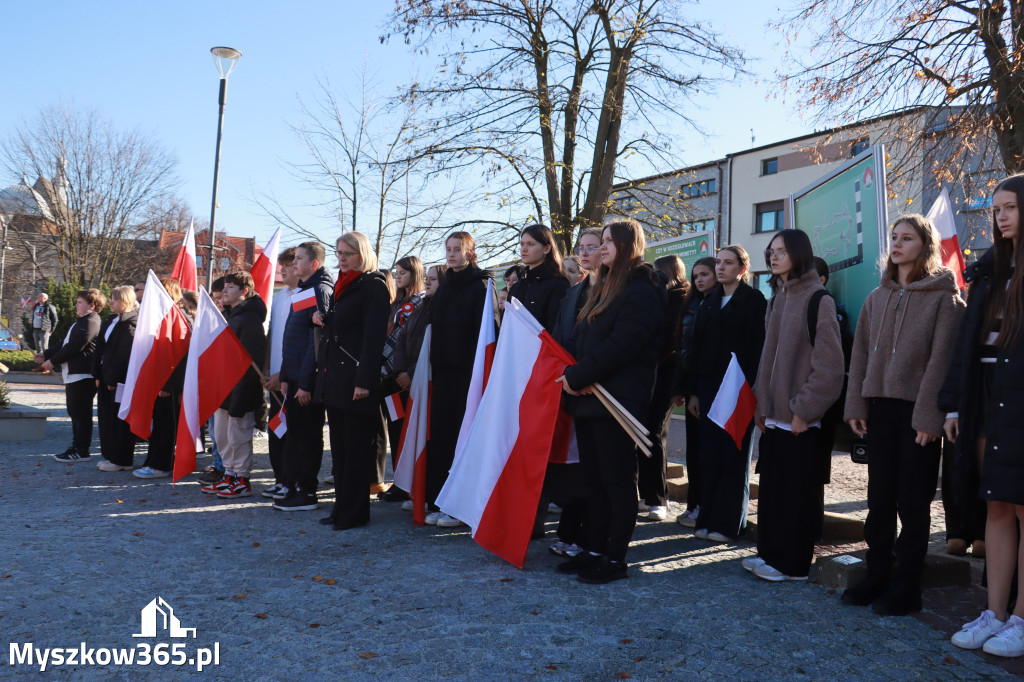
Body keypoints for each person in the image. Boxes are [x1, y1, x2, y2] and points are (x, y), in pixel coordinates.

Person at [838, 215, 964, 614]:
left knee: (913, 503)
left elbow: (942, 361)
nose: (897, 243)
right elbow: (859, 354)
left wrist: (930, 417)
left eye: (907, 238)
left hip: (918, 416)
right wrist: (856, 403)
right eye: (893, 236)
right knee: (879, 500)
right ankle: (877, 576)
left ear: (925, 246)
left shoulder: (945, 299)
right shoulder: (878, 297)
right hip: (879, 411)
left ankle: (908, 587)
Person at [555, 220, 664, 584]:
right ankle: (595, 548)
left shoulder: (642, 288)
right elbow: (585, 340)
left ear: (628, 244)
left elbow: (624, 345)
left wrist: (579, 375)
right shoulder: (603, 287)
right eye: (599, 241)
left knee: (617, 480)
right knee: (594, 480)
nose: (601, 247)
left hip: (617, 400)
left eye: (607, 241)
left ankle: (615, 558)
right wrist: (576, 377)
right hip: (589, 399)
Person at [943, 175, 1024, 657]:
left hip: (1020, 392)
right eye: (997, 209)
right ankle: (994, 613)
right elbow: (963, 347)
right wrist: (953, 404)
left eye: (1011, 207)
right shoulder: (989, 271)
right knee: (994, 504)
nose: (1001, 216)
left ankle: (1020, 618)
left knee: (1021, 505)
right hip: (983, 393)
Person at [746, 229, 843, 582]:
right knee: (773, 490)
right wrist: (760, 402)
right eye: (770, 251)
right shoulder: (776, 299)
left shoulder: (818, 300)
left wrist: (806, 408)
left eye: (781, 251)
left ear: (799, 254)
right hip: (773, 417)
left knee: (796, 495)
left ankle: (794, 564)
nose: (773, 256)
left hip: (800, 419)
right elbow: (766, 360)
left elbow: (830, 367)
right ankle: (771, 554)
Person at [685, 246, 767, 542]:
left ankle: (730, 523)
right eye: (718, 262)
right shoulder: (709, 301)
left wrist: (756, 389)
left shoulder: (754, 300)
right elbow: (696, 349)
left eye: (728, 263)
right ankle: (707, 520)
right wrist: (692, 391)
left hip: (738, 388)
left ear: (742, 269)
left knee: (733, 454)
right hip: (708, 388)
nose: (721, 268)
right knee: (709, 455)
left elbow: (758, 347)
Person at [313, 232, 390, 530]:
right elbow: (347, 329)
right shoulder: (344, 286)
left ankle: (355, 513)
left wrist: (364, 382)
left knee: (356, 451)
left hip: (357, 381)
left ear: (363, 254)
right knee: (341, 451)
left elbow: (372, 340)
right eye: (339, 252)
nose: (341, 258)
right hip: (337, 380)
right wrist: (323, 318)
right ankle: (341, 509)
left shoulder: (374, 286)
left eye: (348, 253)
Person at [426, 231, 496, 527]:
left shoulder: (481, 285)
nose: (451, 254)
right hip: (442, 372)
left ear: (470, 252)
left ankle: (459, 505)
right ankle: (439, 498)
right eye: (448, 249)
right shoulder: (444, 287)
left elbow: (484, 332)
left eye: (458, 249)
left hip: (468, 374)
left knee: (461, 435)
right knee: (441, 435)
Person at [548, 228, 603, 557]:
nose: (584, 253)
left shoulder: (610, 291)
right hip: (571, 386)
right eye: (581, 247)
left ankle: (586, 539)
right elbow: (558, 339)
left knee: (589, 468)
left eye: (592, 247)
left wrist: (581, 373)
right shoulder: (574, 293)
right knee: (573, 467)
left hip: (596, 388)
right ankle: (569, 532)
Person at [273, 242, 335, 511]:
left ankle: (307, 492)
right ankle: (295, 486)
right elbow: (293, 338)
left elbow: (316, 343)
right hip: (295, 377)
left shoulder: (319, 290)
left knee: (307, 437)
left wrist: (306, 383)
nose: (293, 263)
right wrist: (287, 375)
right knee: (295, 435)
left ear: (314, 264)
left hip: (306, 382)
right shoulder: (303, 290)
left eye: (299, 259)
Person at [201, 271, 267, 498]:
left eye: (230, 287)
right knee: (222, 437)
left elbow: (251, 361)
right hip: (224, 389)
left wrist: (241, 395)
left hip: (240, 391)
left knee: (238, 437)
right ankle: (228, 474)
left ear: (244, 292)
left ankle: (242, 479)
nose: (224, 291)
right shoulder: (230, 315)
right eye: (224, 287)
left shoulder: (249, 319)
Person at [639, 255, 689, 522]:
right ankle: (647, 495)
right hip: (653, 371)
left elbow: (671, 339)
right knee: (644, 430)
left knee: (655, 432)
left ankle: (659, 498)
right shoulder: (663, 298)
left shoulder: (679, 298)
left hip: (667, 372)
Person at [672, 256, 717, 527]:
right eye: (696, 275)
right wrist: (682, 388)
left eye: (705, 274)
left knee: (708, 451)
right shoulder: (690, 305)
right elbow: (682, 348)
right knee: (694, 451)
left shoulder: (716, 304)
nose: (699, 279)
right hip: (692, 386)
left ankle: (706, 506)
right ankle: (695, 504)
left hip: (709, 386)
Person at [134, 279, 190, 479]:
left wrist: (168, 384)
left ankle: (162, 464)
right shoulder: (163, 318)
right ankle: (153, 460)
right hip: (159, 382)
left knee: (166, 425)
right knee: (158, 424)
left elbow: (180, 356)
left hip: (169, 385)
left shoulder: (179, 318)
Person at [380, 256, 426, 494]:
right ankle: (399, 480)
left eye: (402, 273)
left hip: (406, 378)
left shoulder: (421, 302)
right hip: (389, 379)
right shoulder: (395, 302)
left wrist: (405, 371)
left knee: (408, 430)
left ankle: (409, 483)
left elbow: (413, 343)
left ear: (415, 274)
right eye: (396, 273)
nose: (398, 277)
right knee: (396, 429)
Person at [38, 289, 102, 462]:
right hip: (75, 375)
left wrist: (52, 362)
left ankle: (81, 450)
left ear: (92, 305)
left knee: (81, 414)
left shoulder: (91, 322)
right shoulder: (81, 322)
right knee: (75, 412)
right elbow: (64, 343)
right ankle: (76, 446)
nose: (76, 305)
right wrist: (46, 355)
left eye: (80, 302)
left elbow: (75, 346)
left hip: (83, 375)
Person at [261, 247, 299, 499]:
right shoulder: (279, 298)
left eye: (287, 265)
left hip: (291, 379)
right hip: (274, 377)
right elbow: (272, 334)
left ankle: (293, 481)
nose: (282, 270)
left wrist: (282, 374)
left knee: (293, 433)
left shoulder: (305, 296)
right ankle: (280, 478)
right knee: (276, 431)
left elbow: (298, 342)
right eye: (281, 265)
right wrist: (267, 368)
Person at [92, 285, 139, 471]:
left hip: (118, 381)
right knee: (106, 418)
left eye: (115, 299)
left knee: (118, 419)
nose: (110, 302)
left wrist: (112, 379)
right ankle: (111, 456)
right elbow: (101, 349)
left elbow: (122, 357)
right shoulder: (112, 320)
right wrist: (97, 374)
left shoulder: (130, 324)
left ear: (125, 301)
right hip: (105, 376)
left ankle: (121, 459)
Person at [509, 223, 570, 332]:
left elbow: (556, 330)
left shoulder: (558, 285)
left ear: (546, 249)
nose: (524, 249)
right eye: (522, 244)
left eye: (530, 244)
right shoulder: (517, 287)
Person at [198, 277, 228, 484]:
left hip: (224, 383)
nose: (218, 303)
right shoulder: (216, 318)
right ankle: (218, 463)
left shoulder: (231, 319)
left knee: (223, 431)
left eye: (220, 298)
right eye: (214, 298)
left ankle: (223, 467)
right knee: (214, 430)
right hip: (212, 382)